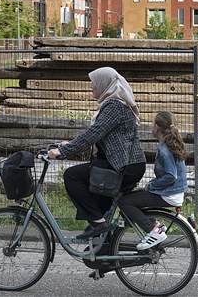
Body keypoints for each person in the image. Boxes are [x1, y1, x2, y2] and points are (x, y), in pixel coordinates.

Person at [48, 67, 146, 239]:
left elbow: (93, 134)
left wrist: (63, 151)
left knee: (72, 176)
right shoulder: (113, 105)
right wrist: (69, 144)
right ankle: (105, 254)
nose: (92, 88)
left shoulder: (115, 106)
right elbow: (98, 136)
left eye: (94, 84)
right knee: (100, 206)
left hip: (124, 166)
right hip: (124, 164)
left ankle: (99, 224)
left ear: (104, 85)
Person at [118, 111, 188, 249]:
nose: (151, 126)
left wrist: (151, 186)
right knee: (133, 198)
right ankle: (155, 225)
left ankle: (153, 231)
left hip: (169, 194)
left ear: (156, 126)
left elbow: (171, 176)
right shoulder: (168, 144)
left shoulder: (165, 150)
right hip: (171, 192)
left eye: (151, 123)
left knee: (124, 202)